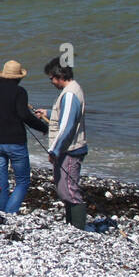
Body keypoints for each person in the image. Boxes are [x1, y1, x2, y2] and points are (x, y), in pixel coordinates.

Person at [0, 59, 49, 219]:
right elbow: (25, 115)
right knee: (23, 181)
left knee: (1, 182)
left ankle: (2, 213)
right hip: (16, 142)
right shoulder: (20, 92)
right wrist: (43, 127)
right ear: (19, 77)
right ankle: (9, 213)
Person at [35, 58, 88, 229]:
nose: (51, 82)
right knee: (64, 188)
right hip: (68, 149)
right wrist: (48, 113)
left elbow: (67, 126)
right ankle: (71, 226)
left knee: (69, 191)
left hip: (70, 150)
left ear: (59, 76)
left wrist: (54, 151)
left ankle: (78, 228)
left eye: (51, 78)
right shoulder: (71, 91)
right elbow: (64, 116)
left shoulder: (70, 94)